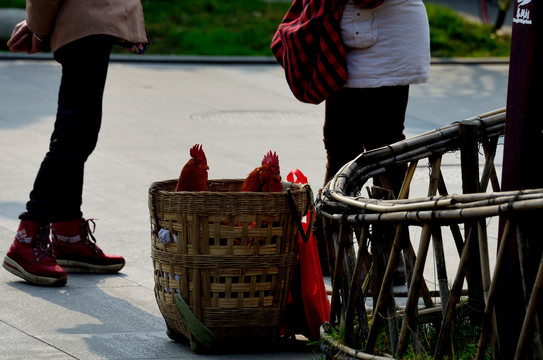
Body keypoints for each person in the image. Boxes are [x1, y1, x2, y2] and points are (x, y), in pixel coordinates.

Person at [2, 0, 150, 287]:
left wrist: (38, 26)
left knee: (78, 136)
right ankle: (26, 239)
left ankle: (68, 235)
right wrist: (37, 27)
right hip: (86, 25)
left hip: (90, 24)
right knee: (73, 137)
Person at [317, 0, 430, 279]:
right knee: (349, 145)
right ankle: (341, 250)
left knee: (378, 147)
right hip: (363, 32)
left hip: (379, 36)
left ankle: (386, 254)